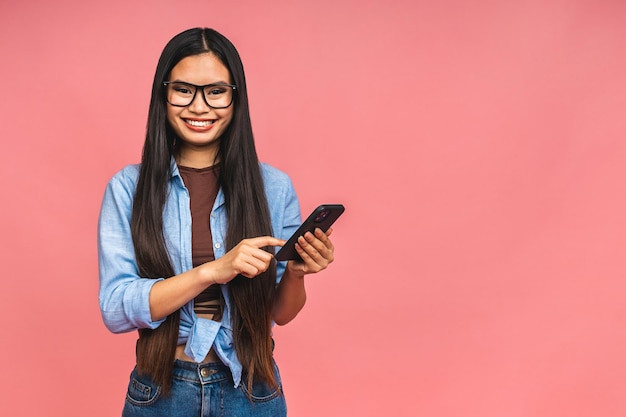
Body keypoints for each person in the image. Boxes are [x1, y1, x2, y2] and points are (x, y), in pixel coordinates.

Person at [97, 27, 336, 417]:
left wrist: (296, 272)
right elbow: (116, 308)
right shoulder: (128, 188)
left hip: (252, 389)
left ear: (235, 98)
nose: (199, 106)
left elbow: (280, 313)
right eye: (184, 89)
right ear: (164, 94)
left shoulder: (272, 186)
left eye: (216, 91)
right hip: (161, 390)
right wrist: (214, 271)